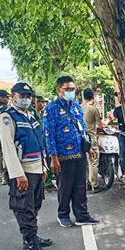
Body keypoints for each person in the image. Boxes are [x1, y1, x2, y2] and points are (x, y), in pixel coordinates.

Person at [0, 82, 52, 250]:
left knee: (35, 204)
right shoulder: (7, 117)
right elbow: (8, 147)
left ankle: (31, 235)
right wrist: (17, 174)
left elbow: (39, 141)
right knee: (24, 208)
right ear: (13, 95)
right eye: (22, 95)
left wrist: (44, 167)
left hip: (37, 168)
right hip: (23, 171)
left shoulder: (31, 115)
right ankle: (31, 241)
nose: (26, 99)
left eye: (29, 96)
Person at [43, 76, 99, 228]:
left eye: (72, 89)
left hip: (79, 154)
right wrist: (53, 158)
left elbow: (82, 131)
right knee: (65, 187)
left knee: (80, 187)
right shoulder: (51, 109)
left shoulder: (75, 107)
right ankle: (63, 214)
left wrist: (89, 150)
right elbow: (49, 135)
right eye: (67, 89)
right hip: (62, 156)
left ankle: (82, 215)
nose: (70, 92)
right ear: (58, 90)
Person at [82, 88, 104, 193]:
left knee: (85, 162)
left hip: (80, 138)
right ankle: (94, 184)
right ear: (93, 97)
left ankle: (86, 185)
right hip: (90, 138)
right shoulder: (93, 109)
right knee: (93, 161)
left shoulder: (78, 108)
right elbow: (100, 125)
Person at [113, 102, 125, 177]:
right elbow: (113, 120)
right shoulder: (117, 109)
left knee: (122, 154)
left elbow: (113, 121)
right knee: (122, 154)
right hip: (123, 133)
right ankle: (124, 172)